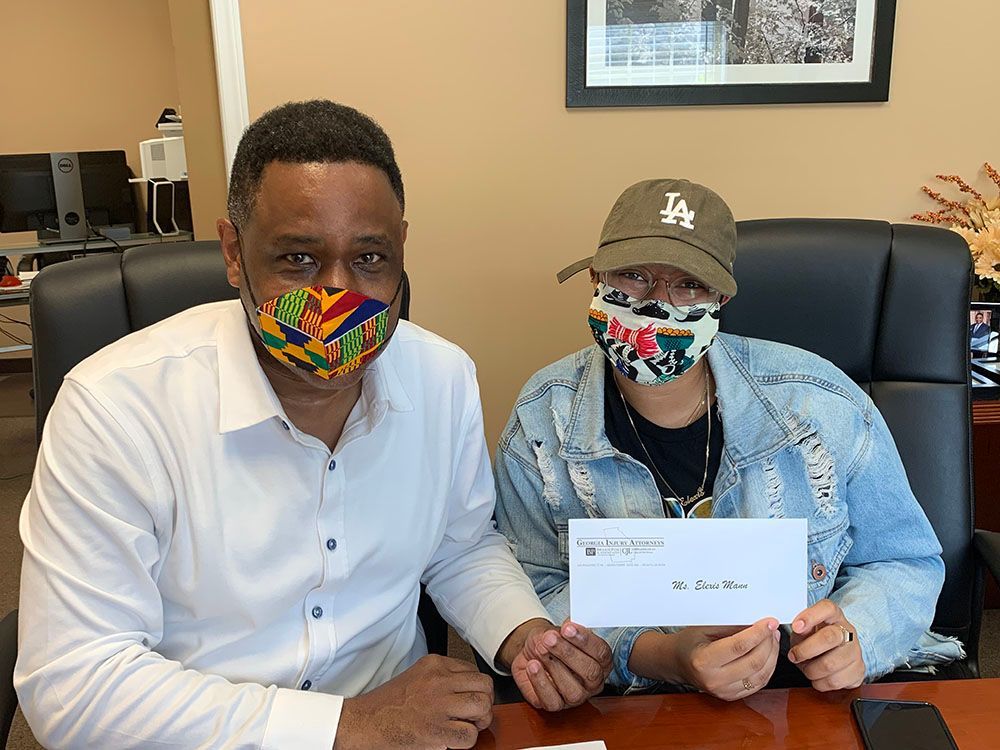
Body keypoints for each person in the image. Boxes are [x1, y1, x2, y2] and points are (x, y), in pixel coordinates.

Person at [15, 100, 612, 750]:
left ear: (400, 248)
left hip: (406, 733)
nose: (337, 298)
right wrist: (348, 724)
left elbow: (460, 546)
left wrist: (524, 633)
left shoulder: (442, 378)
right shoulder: (114, 408)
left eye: (370, 258)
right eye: (298, 259)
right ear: (234, 253)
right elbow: (74, 685)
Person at [494, 178, 963, 700]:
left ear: (720, 298)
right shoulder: (544, 419)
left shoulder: (819, 404)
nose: (655, 303)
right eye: (633, 276)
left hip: (804, 693)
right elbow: (532, 588)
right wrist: (661, 656)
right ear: (596, 277)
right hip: (634, 701)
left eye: (688, 284)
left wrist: (857, 637)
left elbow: (903, 561)